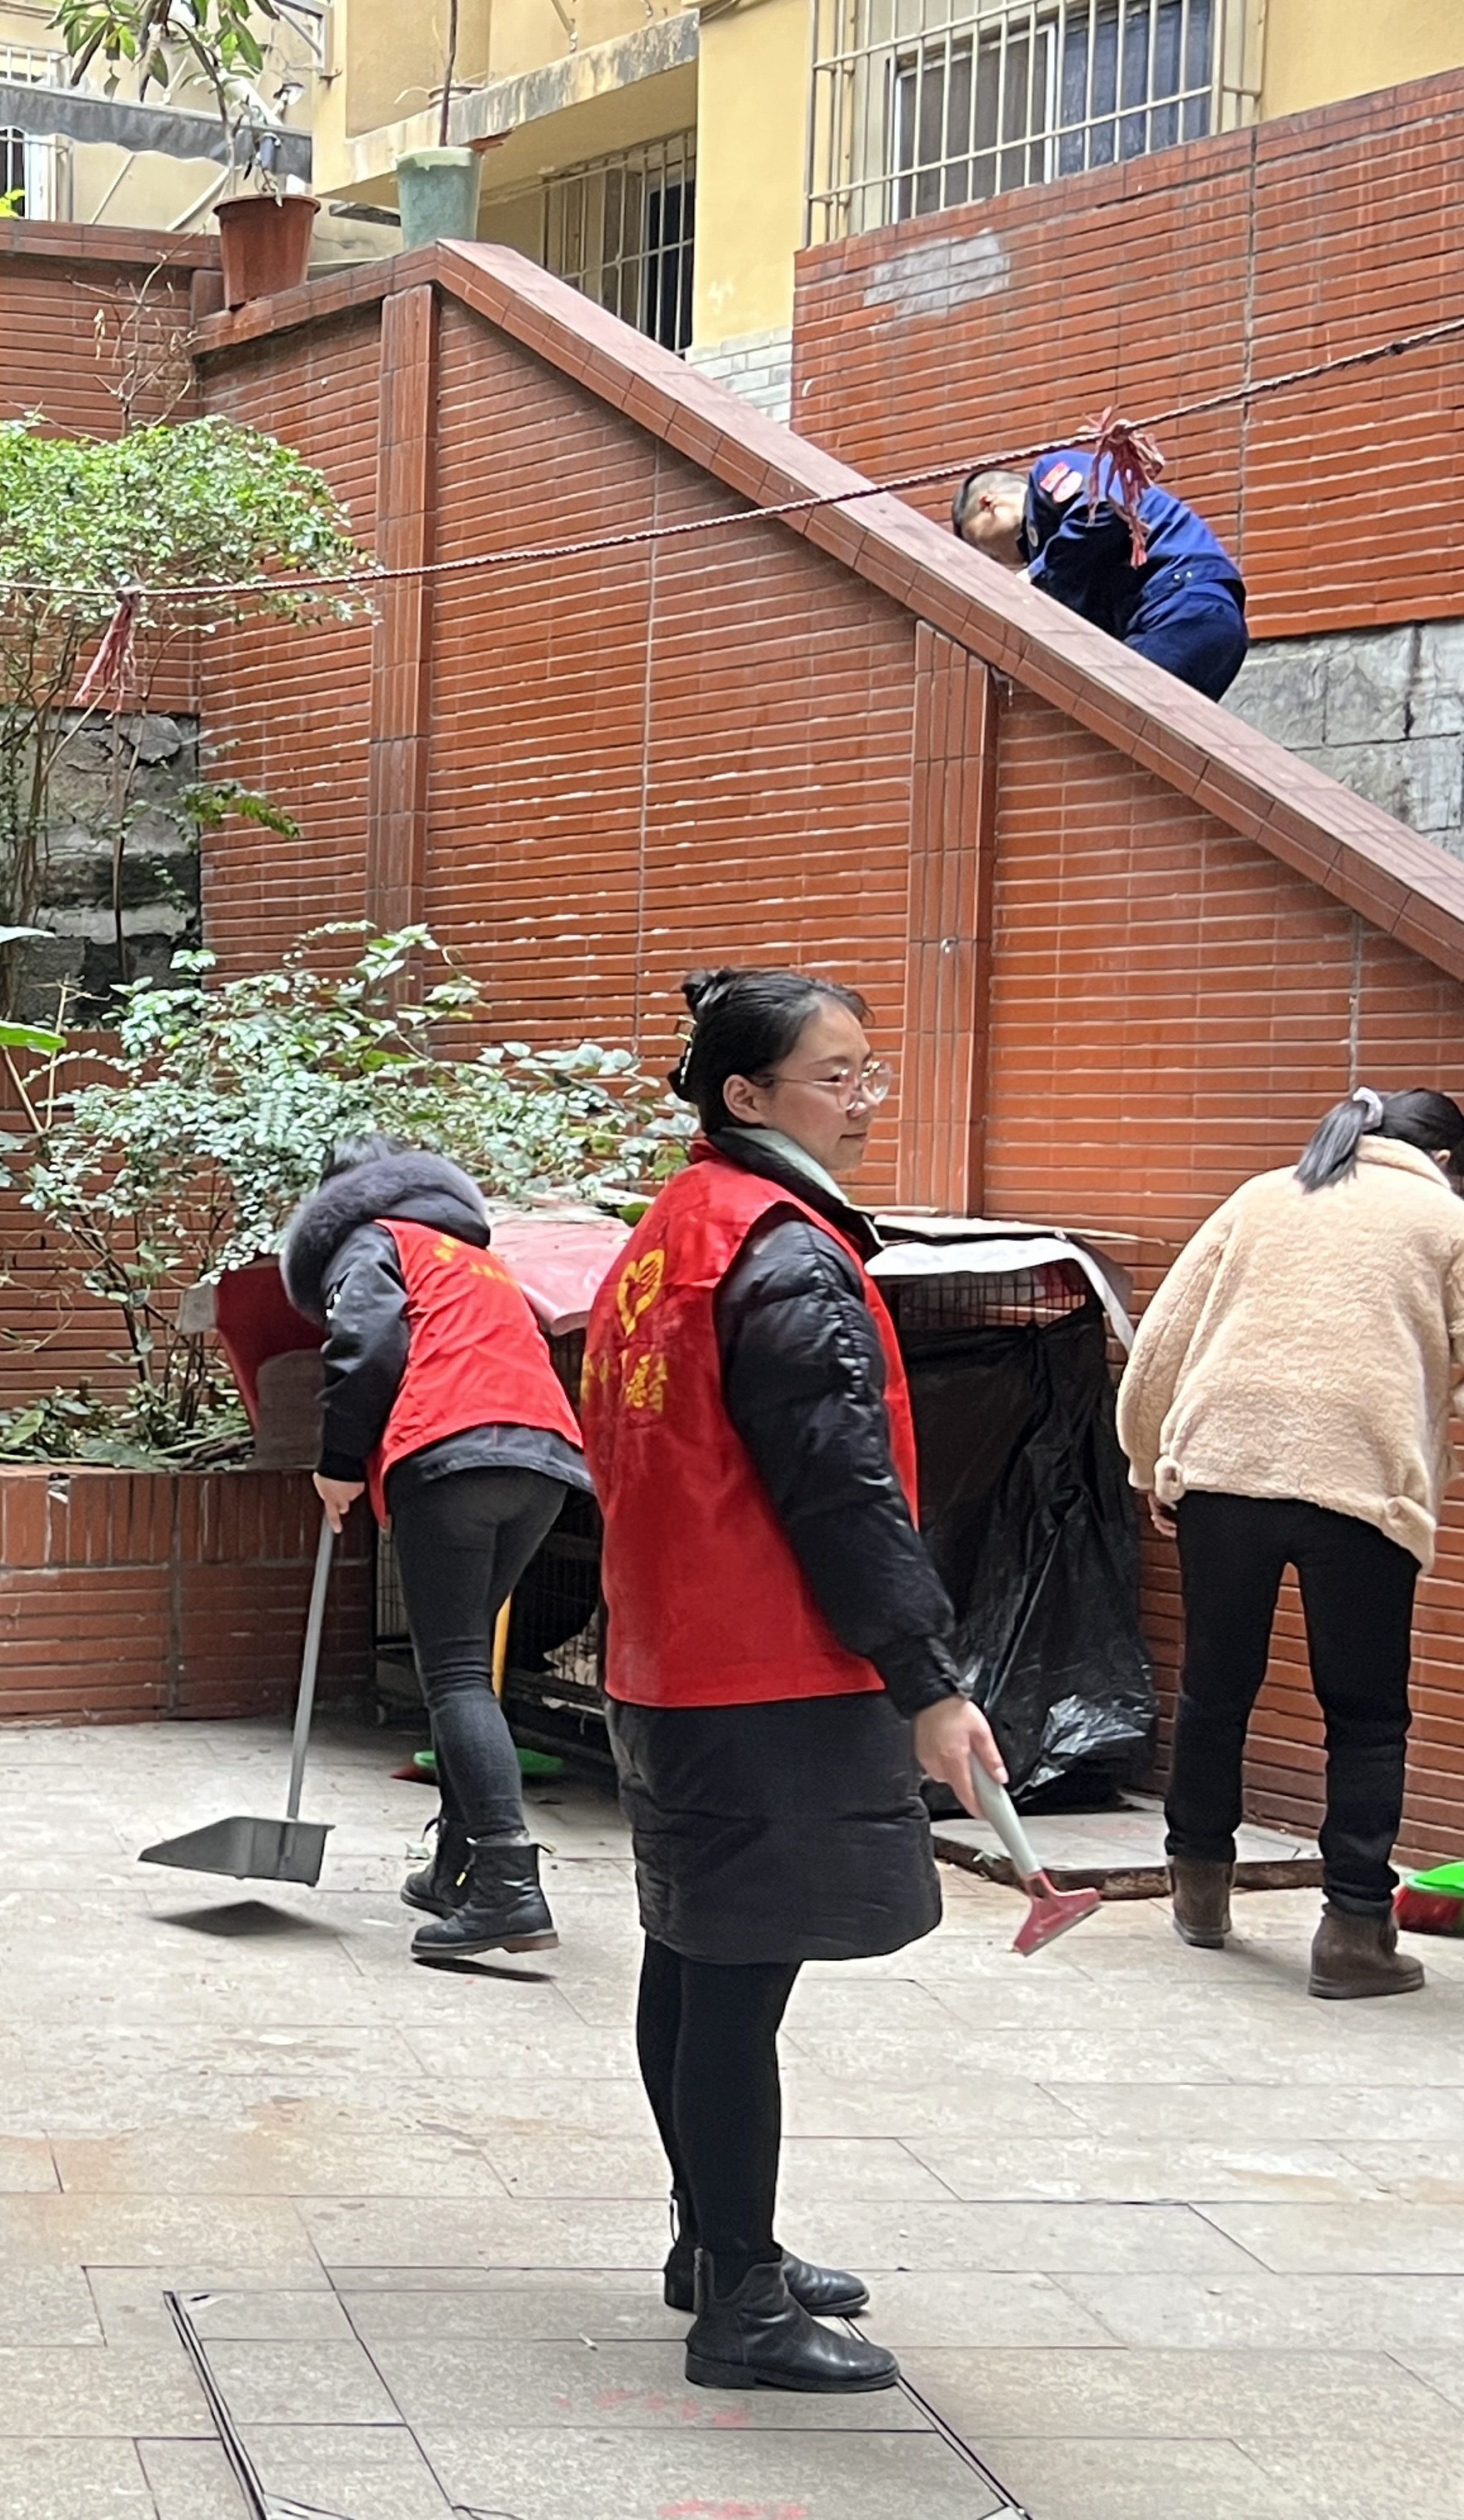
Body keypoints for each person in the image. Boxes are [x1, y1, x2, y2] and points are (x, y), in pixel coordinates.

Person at [582, 968, 1005, 2397]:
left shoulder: (674, 1230)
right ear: (744, 1094)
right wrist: (927, 1678)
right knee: (733, 1978)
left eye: (868, 1071)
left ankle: (715, 2244)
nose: (863, 1099)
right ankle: (742, 2301)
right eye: (837, 1075)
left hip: (670, 1648)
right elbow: (841, 1487)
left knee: (692, 1955)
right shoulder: (779, 1250)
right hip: (763, 1664)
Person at [1114, 1086, 1464, 2001]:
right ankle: (1353, 1930)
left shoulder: (1262, 1195)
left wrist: (1151, 1463)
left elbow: (1162, 1342)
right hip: (1364, 1484)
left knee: (1215, 1687)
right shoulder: (1446, 1220)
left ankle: (1198, 1891)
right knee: (1366, 1713)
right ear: (1444, 1161)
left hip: (1223, 1469)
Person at [280, 1134, 592, 1962]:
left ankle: (507, 1887)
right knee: (467, 1672)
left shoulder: (373, 1241)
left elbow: (367, 1344)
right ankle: (457, 1864)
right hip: (544, 1462)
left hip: (452, 1454)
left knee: (452, 1673)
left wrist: (338, 1464)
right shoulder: (476, 1259)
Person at [954, 448, 1247, 700]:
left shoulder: (1049, 474)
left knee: (1120, 711)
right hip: (1192, 614)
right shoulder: (1055, 556)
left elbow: (1105, 509)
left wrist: (1034, 576)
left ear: (988, 504)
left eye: (985, 549)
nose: (996, 560)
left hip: (1178, 599)